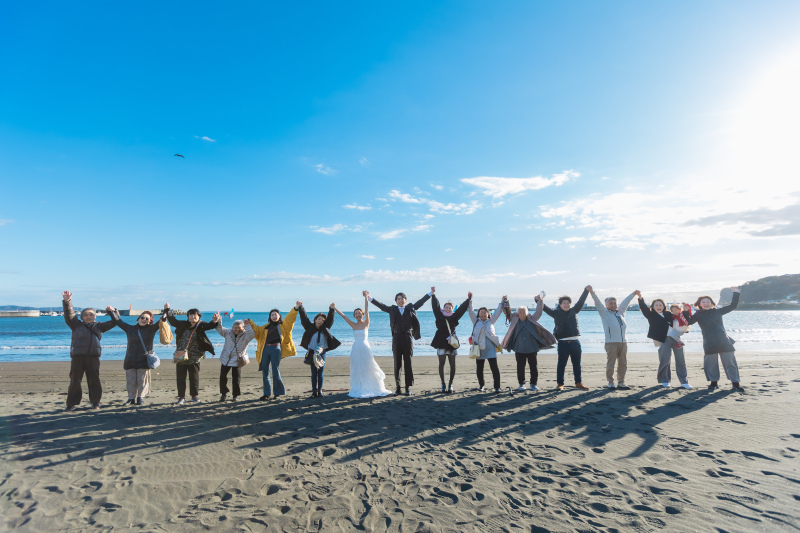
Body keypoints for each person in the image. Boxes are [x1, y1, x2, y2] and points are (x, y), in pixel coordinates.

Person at [368, 288, 433, 396]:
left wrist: (431, 293)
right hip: (396, 338)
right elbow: (381, 306)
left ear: (405, 300)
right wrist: (369, 297)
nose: (400, 300)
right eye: (398, 299)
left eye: (402, 298)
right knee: (397, 363)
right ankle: (398, 388)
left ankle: (407, 388)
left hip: (408, 337)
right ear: (396, 301)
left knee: (408, 362)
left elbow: (421, 302)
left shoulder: (410, 307)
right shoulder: (392, 309)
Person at [61, 291, 117, 411]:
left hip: (93, 357)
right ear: (81, 318)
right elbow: (69, 314)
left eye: (91, 314)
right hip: (77, 358)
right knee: (75, 381)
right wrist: (67, 302)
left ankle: (95, 403)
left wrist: (112, 312)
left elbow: (115, 322)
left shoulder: (99, 327)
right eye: (86, 315)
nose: (89, 316)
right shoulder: (76, 325)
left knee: (94, 381)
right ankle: (71, 404)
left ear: (95, 316)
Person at [683, 288, 743, 391]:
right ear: (700, 304)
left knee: (730, 363)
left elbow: (733, 306)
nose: (706, 303)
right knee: (711, 364)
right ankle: (713, 383)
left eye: (708, 302)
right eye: (704, 302)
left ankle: (735, 383)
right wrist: (685, 311)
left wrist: (736, 293)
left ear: (712, 303)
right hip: (709, 342)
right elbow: (688, 322)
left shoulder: (718, 311)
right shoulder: (698, 314)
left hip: (724, 341)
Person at [334, 292, 391, 398]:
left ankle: (372, 386)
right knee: (357, 368)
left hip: (365, 348)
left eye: (359, 313)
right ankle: (359, 386)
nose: (358, 314)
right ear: (354, 316)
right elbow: (343, 316)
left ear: (362, 314)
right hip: (356, 348)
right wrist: (335, 308)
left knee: (369, 366)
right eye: (356, 313)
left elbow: (367, 308)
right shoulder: (353, 325)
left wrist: (366, 298)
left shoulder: (366, 323)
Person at [108, 307, 166, 406]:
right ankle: (131, 398)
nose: (144, 319)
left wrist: (166, 310)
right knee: (130, 381)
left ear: (150, 321)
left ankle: (140, 397)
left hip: (144, 359)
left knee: (142, 380)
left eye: (147, 319)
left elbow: (163, 320)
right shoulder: (130, 328)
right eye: (142, 317)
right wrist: (111, 311)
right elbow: (118, 321)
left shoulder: (151, 329)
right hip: (130, 359)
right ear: (138, 319)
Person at [164, 304, 219, 404]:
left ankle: (194, 396)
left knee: (194, 377)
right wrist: (167, 310)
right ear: (188, 316)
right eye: (191, 315)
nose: (193, 317)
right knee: (180, 377)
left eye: (195, 315)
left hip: (195, 355)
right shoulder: (183, 324)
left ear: (199, 316)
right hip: (181, 354)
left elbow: (209, 326)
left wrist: (215, 321)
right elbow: (173, 321)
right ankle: (181, 397)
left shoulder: (201, 325)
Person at [501, 294, 556, 392]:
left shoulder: (532, 319)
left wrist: (540, 301)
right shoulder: (514, 319)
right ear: (517, 313)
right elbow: (507, 312)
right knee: (520, 367)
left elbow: (539, 312)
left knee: (533, 367)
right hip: (519, 348)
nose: (522, 314)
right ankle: (521, 384)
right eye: (520, 312)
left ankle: (533, 384)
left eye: (523, 312)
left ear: (527, 313)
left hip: (532, 348)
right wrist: (505, 301)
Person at [247, 303, 299, 400]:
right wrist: (250, 322)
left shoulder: (283, 325)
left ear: (279, 316)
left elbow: (290, 318)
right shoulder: (266, 327)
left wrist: (295, 308)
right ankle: (266, 393)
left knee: (276, 371)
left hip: (276, 349)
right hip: (265, 349)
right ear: (270, 317)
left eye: (276, 314)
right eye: (272, 315)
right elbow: (257, 331)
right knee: (265, 372)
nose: (274, 316)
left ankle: (277, 393)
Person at [638, 293, 691, 389]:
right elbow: (644, 307)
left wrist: (686, 309)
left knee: (681, 361)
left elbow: (681, 317)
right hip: (664, 339)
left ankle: (684, 381)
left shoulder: (668, 314)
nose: (658, 306)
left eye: (660, 305)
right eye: (656, 305)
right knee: (665, 360)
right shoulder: (651, 315)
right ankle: (665, 380)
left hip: (676, 339)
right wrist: (640, 298)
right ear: (653, 307)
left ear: (664, 306)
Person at [543, 286, 591, 390]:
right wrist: (537, 300)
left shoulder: (575, 310)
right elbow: (544, 307)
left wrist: (586, 291)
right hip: (563, 343)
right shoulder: (555, 313)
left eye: (568, 303)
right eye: (564, 303)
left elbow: (581, 301)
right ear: (560, 305)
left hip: (576, 342)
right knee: (561, 364)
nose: (566, 305)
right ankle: (560, 384)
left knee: (577, 364)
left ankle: (578, 383)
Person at [590, 288, 636, 389]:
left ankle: (621, 382)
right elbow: (597, 303)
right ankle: (610, 382)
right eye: (611, 303)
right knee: (611, 363)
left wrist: (633, 294)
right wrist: (592, 292)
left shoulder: (620, 313)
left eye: (614, 303)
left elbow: (625, 302)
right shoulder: (604, 313)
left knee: (623, 363)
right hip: (611, 343)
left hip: (623, 342)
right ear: (606, 305)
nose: (613, 305)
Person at [430, 292, 472, 393]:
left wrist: (468, 299)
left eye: (450, 307)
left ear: (452, 309)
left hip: (451, 342)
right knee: (441, 364)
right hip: (440, 341)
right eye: (446, 307)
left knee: (452, 364)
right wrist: (434, 295)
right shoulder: (439, 315)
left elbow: (462, 309)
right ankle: (443, 384)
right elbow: (435, 306)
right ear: (443, 308)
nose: (448, 309)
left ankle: (450, 383)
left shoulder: (454, 316)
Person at [298, 303, 340, 398]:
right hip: (312, 352)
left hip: (322, 353)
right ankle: (314, 391)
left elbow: (330, 319)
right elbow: (304, 318)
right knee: (313, 373)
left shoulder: (325, 328)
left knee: (320, 373)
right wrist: (301, 307)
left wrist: (331, 309)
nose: (320, 321)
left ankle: (320, 391)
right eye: (319, 319)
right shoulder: (309, 327)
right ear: (315, 320)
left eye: (322, 320)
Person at [468, 297, 505, 393]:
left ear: (488, 314)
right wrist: (470, 300)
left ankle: (497, 387)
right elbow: (471, 311)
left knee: (494, 369)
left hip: (491, 349)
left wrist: (502, 302)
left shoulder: (491, 321)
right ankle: (481, 385)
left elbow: (498, 312)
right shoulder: (475, 321)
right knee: (479, 369)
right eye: (481, 312)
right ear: (479, 314)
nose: (483, 314)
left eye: (485, 312)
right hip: (479, 349)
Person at [215, 318, 256, 402]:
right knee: (223, 377)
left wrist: (247, 326)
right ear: (232, 327)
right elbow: (219, 329)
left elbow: (252, 334)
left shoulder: (246, 335)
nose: (237, 329)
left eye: (239, 327)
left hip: (238, 359)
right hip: (226, 358)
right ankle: (224, 394)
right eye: (235, 327)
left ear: (243, 328)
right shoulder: (228, 332)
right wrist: (218, 320)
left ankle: (235, 395)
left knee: (236, 378)